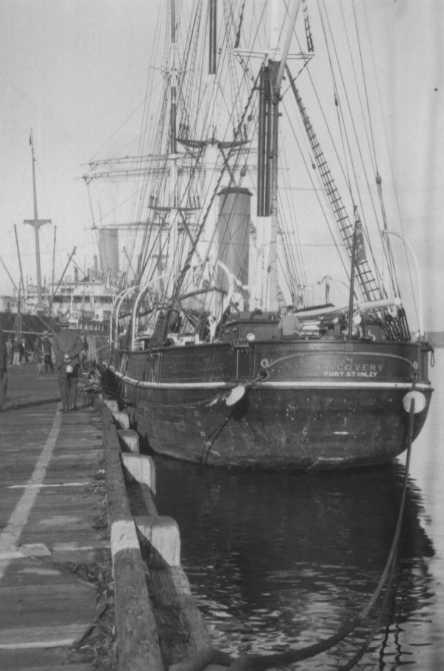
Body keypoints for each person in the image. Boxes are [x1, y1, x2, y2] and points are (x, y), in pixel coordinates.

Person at [52, 328, 84, 411]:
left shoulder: (56, 336)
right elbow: (80, 346)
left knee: (63, 385)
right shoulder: (75, 335)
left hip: (62, 364)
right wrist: (70, 355)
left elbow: (55, 350)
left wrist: (64, 357)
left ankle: (65, 407)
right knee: (73, 384)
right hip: (73, 363)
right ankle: (73, 406)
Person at [0, 330, 8, 409]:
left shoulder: (3, 344)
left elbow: (4, 355)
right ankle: (2, 404)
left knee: (4, 384)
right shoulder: (3, 344)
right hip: (2, 366)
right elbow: (4, 355)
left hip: (2, 366)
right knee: (3, 384)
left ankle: (2, 403)